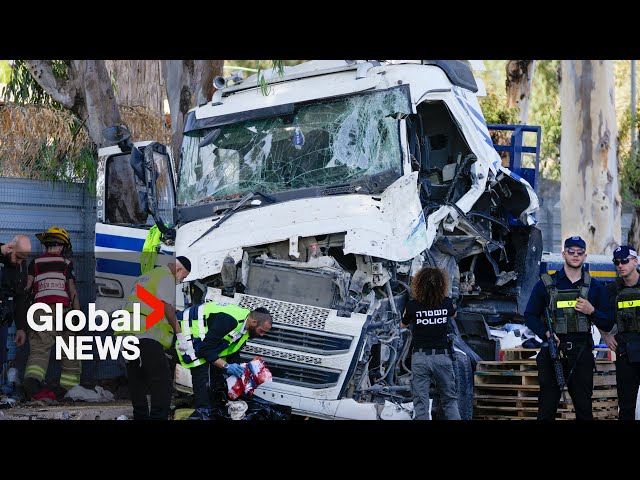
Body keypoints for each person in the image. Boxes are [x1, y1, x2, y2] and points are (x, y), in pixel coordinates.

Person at [524, 235, 613, 420]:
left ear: (585, 256)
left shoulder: (595, 287)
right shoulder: (546, 284)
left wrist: (592, 311)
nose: (575, 255)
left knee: (583, 409)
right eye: (571, 252)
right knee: (547, 409)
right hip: (553, 352)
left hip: (581, 354)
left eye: (579, 253)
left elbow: (608, 322)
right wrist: (545, 333)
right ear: (563, 254)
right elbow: (529, 316)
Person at [119, 255, 191, 420]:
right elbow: (166, 307)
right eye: (183, 277)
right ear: (178, 269)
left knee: (136, 379)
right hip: (146, 335)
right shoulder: (167, 277)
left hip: (127, 334)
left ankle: (141, 416)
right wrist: (179, 334)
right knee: (163, 382)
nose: (180, 282)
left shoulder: (146, 277)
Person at [175, 301, 272, 412]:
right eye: (261, 331)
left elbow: (231, 351)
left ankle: (214, 407)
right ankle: (203, 411)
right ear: (254, 322)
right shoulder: (229, 320)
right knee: (200, 371)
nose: (261, 335)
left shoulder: (246, 327)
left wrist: (241, 373)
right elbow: (205, 350)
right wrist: (226, 366)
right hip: (186, 327)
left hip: (204, 338)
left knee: (218, 376)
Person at [22, 227, 80, 400]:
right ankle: (68, 389)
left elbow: (27, 287)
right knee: (70, 349)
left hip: (39, 310)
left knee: (39, 349)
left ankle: (32, 383)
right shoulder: (66, 264)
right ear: (62, 247)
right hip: (63, 310)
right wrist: (77, 315)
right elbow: (72, 290)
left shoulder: (35, 263)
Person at [401, 266, 461, 420]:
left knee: (421, 402)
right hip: (442, 356)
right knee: (449, 399)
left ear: (418, 285)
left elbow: (403, 324)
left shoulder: (412, 306)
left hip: (420, 358)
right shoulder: (446, 303)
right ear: (442, 285)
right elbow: (454, 314)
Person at [600, 245, 640, 420]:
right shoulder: (611, 290)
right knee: (626, 405)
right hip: (625, 352)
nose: (620, 265)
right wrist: (605, 336)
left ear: (635, 261)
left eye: (624, 261)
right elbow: (598, 314)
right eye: (617, 262)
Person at [0, 235, 31, 365]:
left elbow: (20, 297)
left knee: (1, 353)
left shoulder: (21, 267)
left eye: (23, 259)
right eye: (18, 257)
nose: (19, 262)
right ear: (10, 248)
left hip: (3, 317)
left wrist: (20, 328)